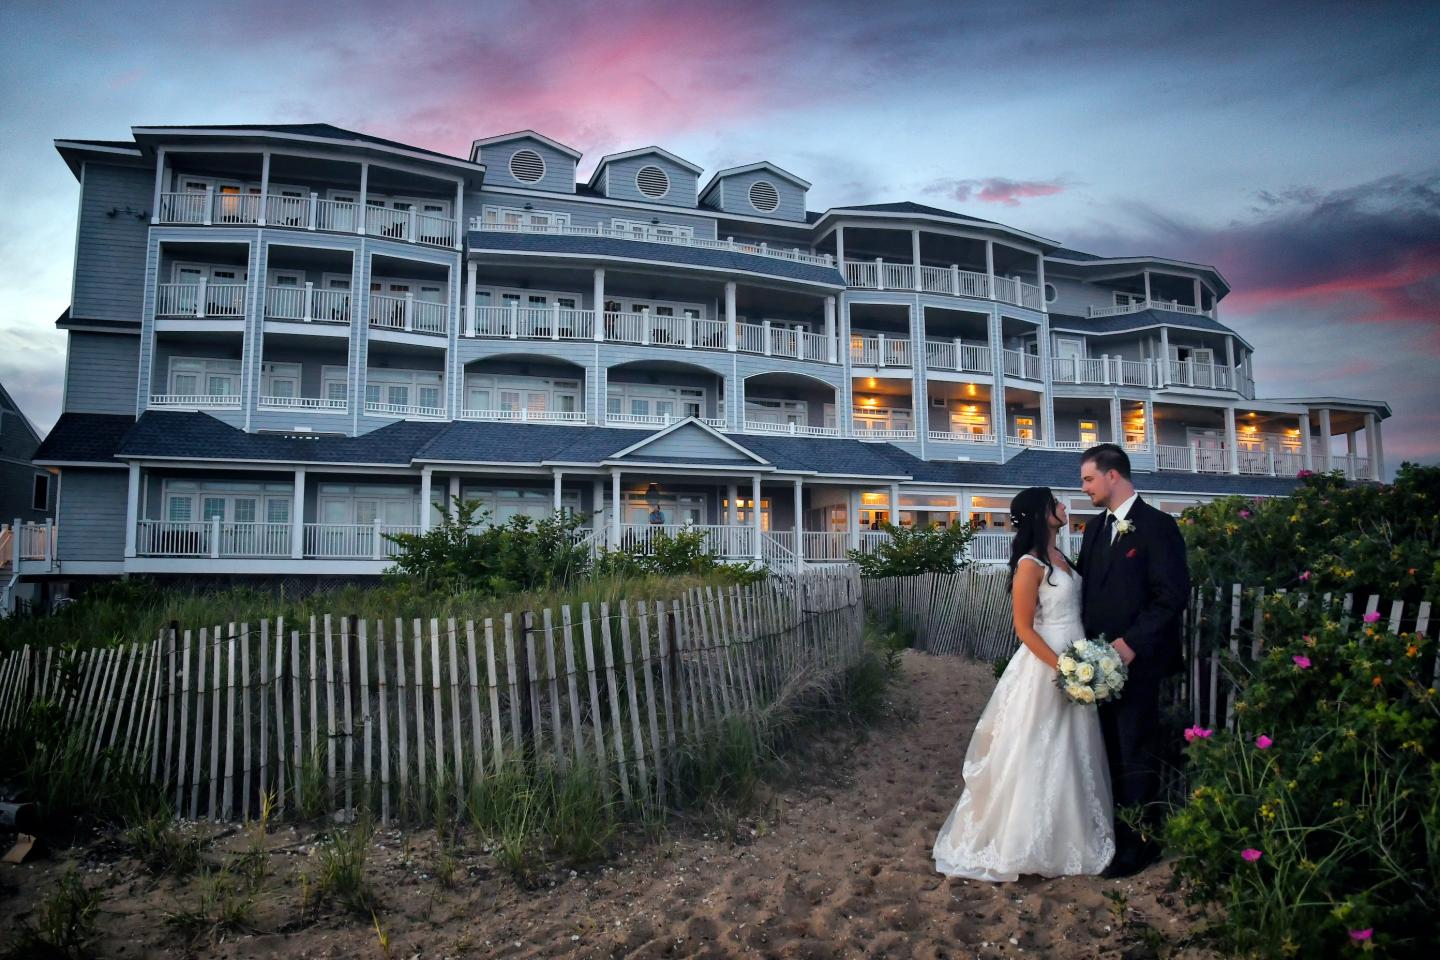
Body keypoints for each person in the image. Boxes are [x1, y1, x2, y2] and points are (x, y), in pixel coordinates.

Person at [932, 486, 1115, 881]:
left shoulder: (1062, 557)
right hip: (1046, 662)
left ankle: (1069, 833)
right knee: (1035, 747)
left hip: (1077, 651)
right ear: (1041, 513)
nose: (1066, 507)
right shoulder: (1030, 564)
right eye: (1057, 503)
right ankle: (1022, 840)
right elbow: (1023, 628)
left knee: (1071, 748)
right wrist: (1064, 668)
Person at [1076, 443, 1190, 878]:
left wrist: (1132, 644)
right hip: (1096, 665)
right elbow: (1089, 592)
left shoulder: (1158, 527)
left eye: (1088, 479)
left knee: (1136, 750)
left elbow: (1171, 595)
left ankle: (1140, 844)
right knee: (1106, 751)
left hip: (1139, 663)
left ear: (1113, 476)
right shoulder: (1091, 530)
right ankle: (1113, 837)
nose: (1083, 487)